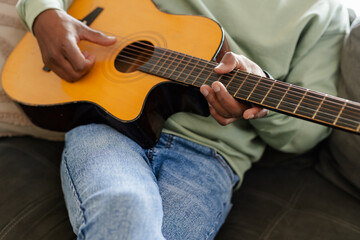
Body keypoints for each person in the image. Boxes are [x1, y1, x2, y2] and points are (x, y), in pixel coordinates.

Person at [16, 0, 349, 239]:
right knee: (124, 207)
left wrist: (261, 100)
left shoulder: (329, 16)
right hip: (110, 125)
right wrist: (44, 12)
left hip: (209, 159)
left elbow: (303, 134)